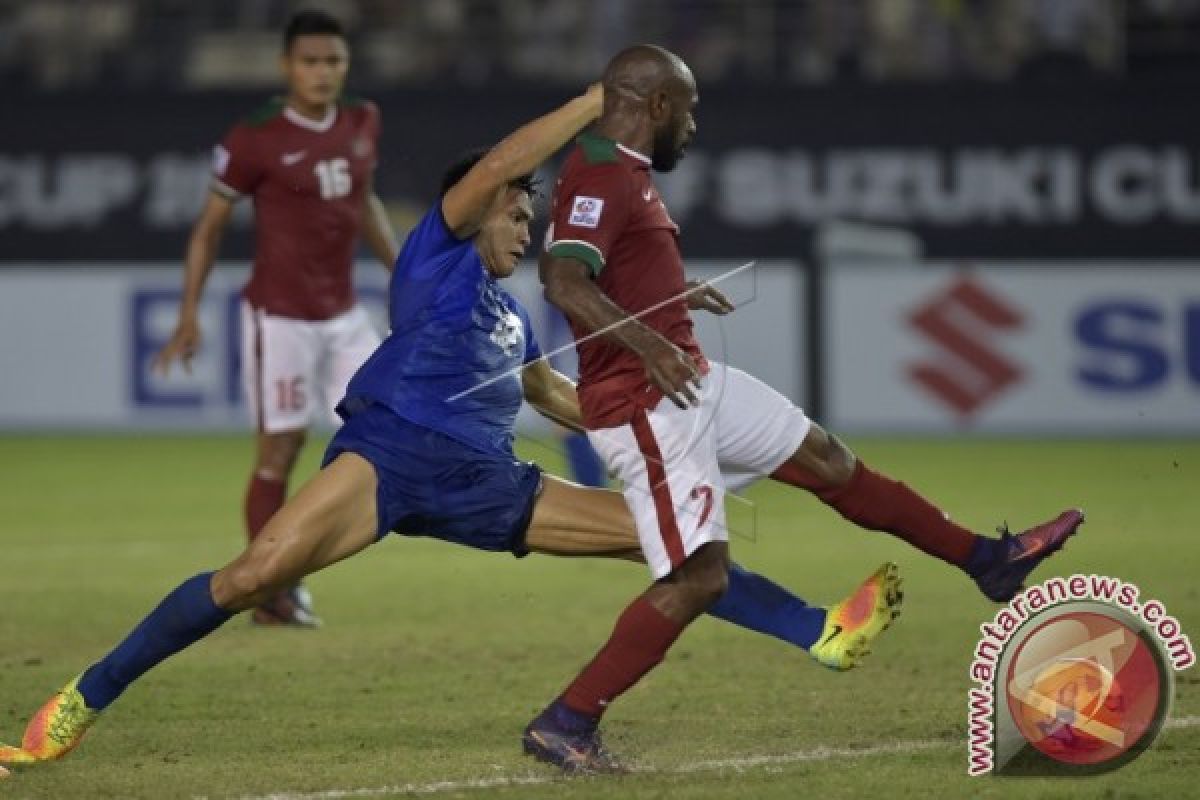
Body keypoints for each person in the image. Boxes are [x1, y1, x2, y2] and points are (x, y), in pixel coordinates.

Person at [0, 83, 903, 774]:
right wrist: (598, 101)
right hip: (388, 460)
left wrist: (687, 430)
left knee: (664, 540)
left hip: (485, 482)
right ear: (479, 209)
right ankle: (79, 703)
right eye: (518, 212)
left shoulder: (514, 321)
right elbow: (505, 160)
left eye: (532, 216)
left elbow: (565, 404)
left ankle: (820, 630)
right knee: (253, 574)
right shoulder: (433, 256)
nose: (528, 227)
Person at [522, 44, 1084, 773]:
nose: (692, 127)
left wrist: (666, 299)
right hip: (643, 402)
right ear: (656, 105)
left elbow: (605, 273)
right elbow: (564, 281)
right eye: (688, 111)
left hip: (688, 377)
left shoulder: (625, 175)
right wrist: (646, 342)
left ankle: (987, 560)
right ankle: (566, 721)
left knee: (828, 459)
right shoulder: (599, 171)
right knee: (699, 578)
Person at [152, 10, 400, 627]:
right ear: (287, 66)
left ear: (346, 67)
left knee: (387, 427)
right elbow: (208, 229)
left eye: (333, 61)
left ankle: (306, 559)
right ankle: (270, 593)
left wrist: (404, 275)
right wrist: (188, 315)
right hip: (279, 318)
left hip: (344, 315)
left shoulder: (362, 120)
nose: (322, 72)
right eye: (311, 61)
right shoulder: (253, 137)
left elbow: (363, 200)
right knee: (279, 450)